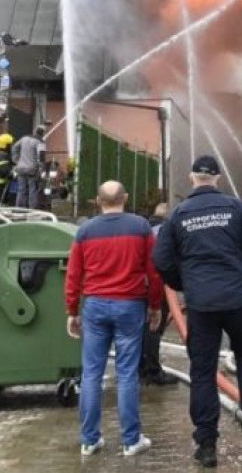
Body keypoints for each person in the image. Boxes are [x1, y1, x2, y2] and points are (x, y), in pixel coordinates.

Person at [153, 155, 242, 468]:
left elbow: (161, 261)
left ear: (192, 178)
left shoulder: (177, 216)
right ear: (217, 178)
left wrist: (185, 282)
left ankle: (206, 444)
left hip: (201, 304)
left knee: (202, 370)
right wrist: (241, 268)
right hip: (236, 298)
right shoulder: (237, 208)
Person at [64, 181, 162, 459]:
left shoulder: (84, 231)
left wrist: (72, 311)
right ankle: (131, 440)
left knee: (92, 373)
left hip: (94, 306)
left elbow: (73, 275)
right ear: (126, 198)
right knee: (127, 372)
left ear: (97, 201)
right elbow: (153, 272)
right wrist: (154, 306)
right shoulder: (140, 227)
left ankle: (89, 439)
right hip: (130, 305)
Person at [139, 202, 177, 387]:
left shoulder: (144, 228)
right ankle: (152, 370)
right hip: (157, 286)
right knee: (154, 328)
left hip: (139, 287)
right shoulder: (166, 231)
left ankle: (141, 367)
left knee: (142, 329)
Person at [12, 125, 47, 209]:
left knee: (21, 189)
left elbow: (14, 147)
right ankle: (32, 209)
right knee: (33, 189)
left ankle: (19, 208)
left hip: (20, 168)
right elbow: (41, 156)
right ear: (43, 133)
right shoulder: (40, 142)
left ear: (35, 131)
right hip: (32, 169)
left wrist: (16, 159)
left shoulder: (24, 138)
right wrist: (41, 168)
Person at [0, 134, 15, 206]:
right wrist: (11, 174)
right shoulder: (3, 156)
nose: (11, 146)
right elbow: (4, 169)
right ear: (5, 145)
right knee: (0, 200)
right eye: (9, 145)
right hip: (0, 182)